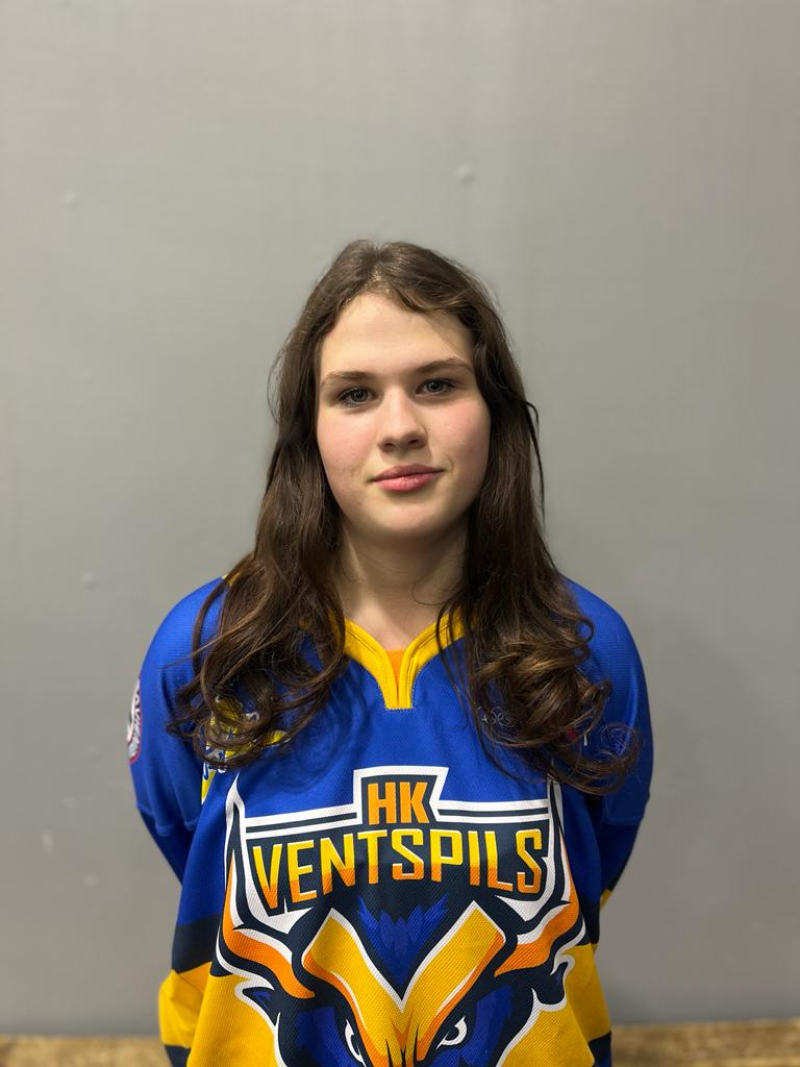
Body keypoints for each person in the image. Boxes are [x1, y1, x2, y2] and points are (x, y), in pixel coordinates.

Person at [128, 239, 653, 1067]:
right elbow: (185, 846)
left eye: (437, 384)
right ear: (308, 429)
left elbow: (594, 868)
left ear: (494, 409)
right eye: (355, 394)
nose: (401, 427)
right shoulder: (204, 651)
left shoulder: (583, 650)